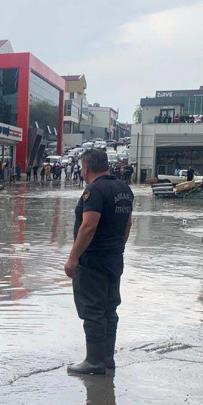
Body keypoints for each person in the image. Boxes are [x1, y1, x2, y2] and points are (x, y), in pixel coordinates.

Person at [64, 148, 134, 375]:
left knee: (93, 310)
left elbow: (88, 226)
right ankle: (107, 359)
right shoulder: (124, 189)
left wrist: (73, 258)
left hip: (93, 260)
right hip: (114, 259)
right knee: (109, 309)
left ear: (85, 169)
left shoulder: (93, 191)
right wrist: (118, 248)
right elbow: (127, 225)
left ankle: (93, 361)